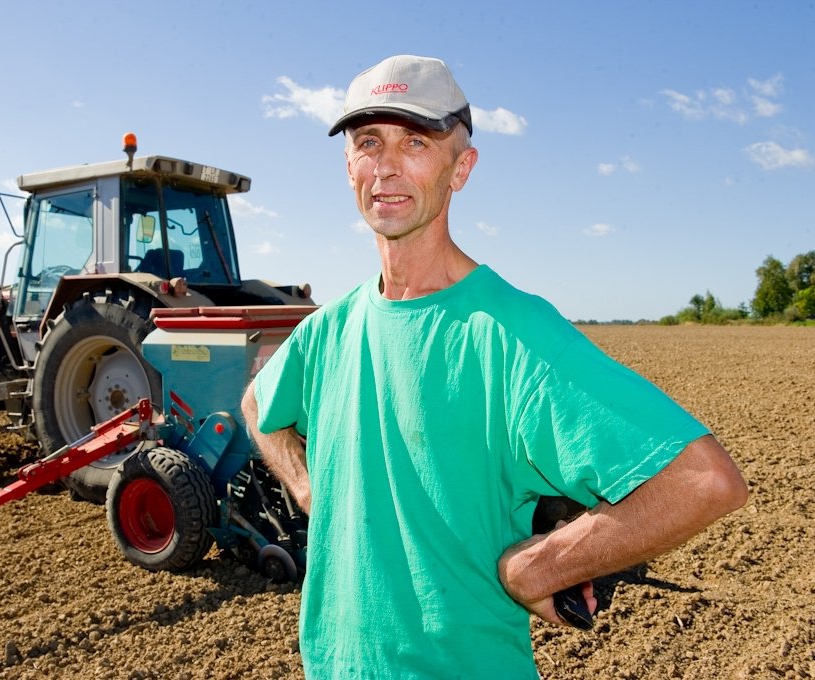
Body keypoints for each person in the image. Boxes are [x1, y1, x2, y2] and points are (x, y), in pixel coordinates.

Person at [240, 54, 748, 678]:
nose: (387, 164)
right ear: (348, 165)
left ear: (461, 168)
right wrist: (307, 486)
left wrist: (537, 566)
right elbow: (260, 408)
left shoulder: (513, 335)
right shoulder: (328, 330)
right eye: (367, 142)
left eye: (416, 141)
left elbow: (701, 481)